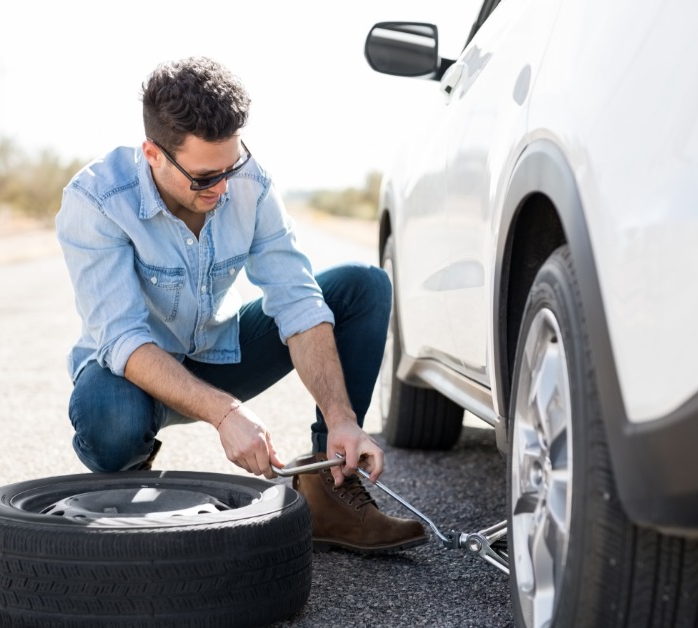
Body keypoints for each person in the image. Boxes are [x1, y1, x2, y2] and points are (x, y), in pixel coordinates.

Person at [55, 56, 427, 554]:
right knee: (110, 416)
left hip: (219, 351)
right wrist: (226, 414)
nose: (223, 188)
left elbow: (296, 300)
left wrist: (342, 417)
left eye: (231, 167)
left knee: (363, 286)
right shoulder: (97, 199)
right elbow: (123, 339)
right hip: (132, 378)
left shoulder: (249, 184)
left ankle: (329, 488)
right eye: (206, 177)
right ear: (153, 154)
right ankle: (127, 490)